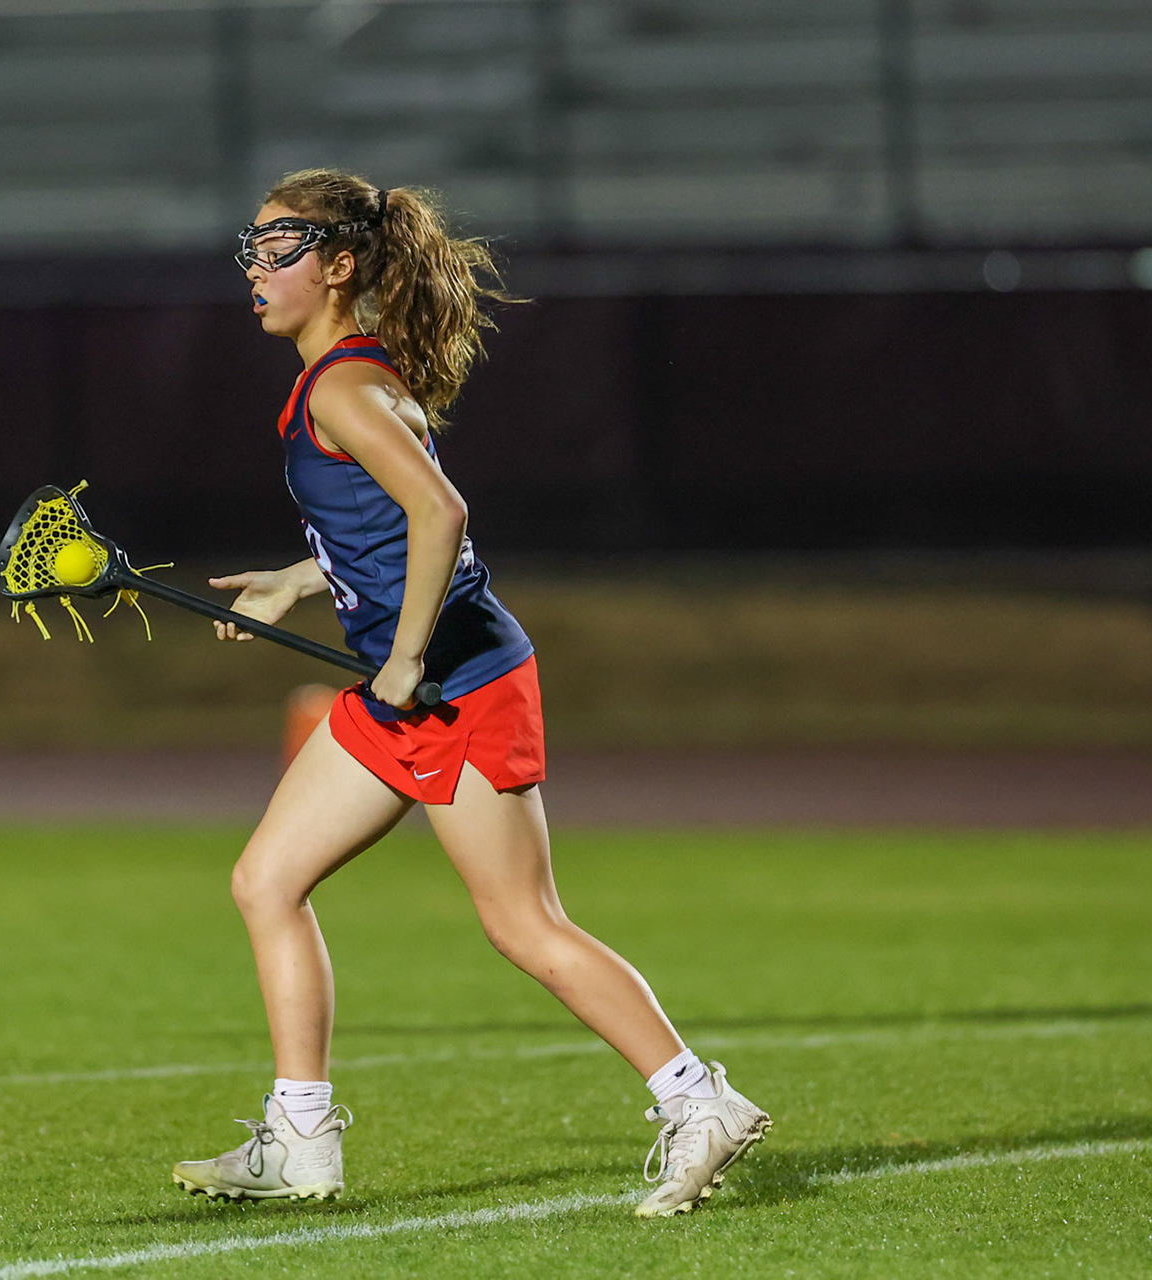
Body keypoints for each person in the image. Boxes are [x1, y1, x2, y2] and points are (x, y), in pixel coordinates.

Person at [167, 169, 770, 1218]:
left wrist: (403, 657)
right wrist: (299, 579)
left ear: (339, 265)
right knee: (266, 880)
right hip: (403, 694)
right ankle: (300, 1138)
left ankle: (700, 1101)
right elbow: (381, 527)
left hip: (459, 686)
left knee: (523, 923)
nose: (255, 268)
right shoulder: (343, 377)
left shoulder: (343, 388)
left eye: (278, 248)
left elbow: (440, 513)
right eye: (252, 246)